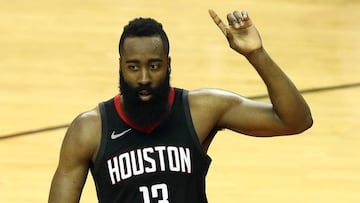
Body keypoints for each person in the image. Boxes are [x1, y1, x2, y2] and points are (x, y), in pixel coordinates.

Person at [48, 8, 313, 203]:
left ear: (168, 65)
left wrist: (256, 54)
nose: (143, 78)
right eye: (133, 67)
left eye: (154, 66)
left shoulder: (202, 109)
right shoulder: (90, 129)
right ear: (120, 67)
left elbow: (295, 120)